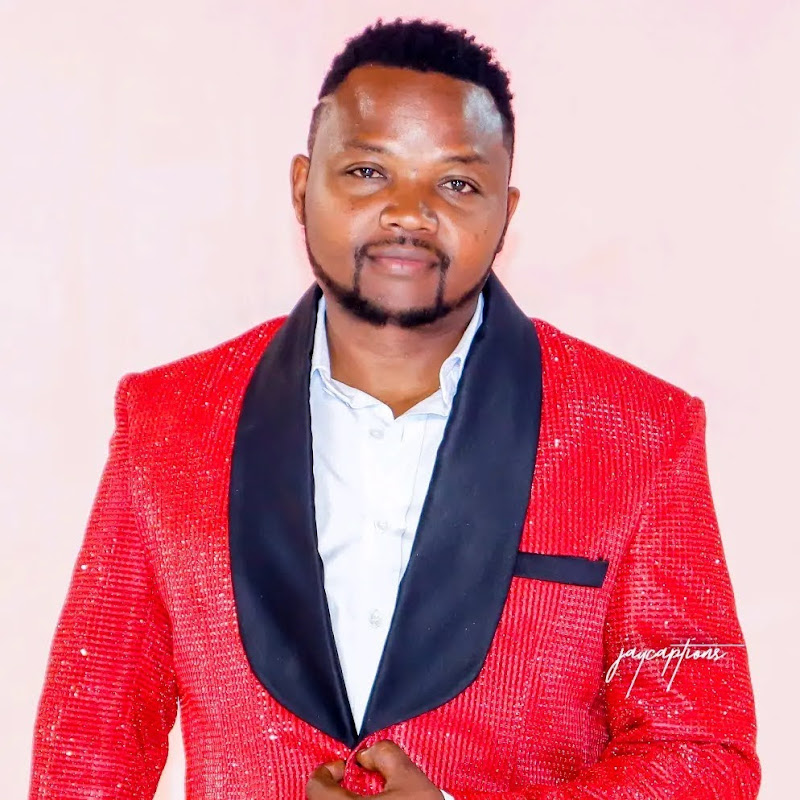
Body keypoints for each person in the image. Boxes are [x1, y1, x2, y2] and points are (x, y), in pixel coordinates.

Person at [28, 18, 761, 800]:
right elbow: (88, 753)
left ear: (506, 212)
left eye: (457, 183)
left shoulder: (642, 433)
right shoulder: (167, 422)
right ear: (301, 186)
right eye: (369, 171)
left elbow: (702, 752)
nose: (410, 212)